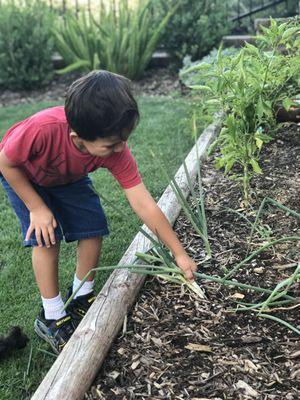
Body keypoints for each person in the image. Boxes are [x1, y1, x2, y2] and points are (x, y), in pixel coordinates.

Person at [0, 70, 197, 354]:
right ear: (78, 137)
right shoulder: (43, 129)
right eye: (111, 144)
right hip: (24, 176)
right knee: (47, 237)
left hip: (67, 178)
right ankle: (52, 315)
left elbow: (142, 202)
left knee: (93, 226)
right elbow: (6, 163)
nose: (120, 149)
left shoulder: (116, 150)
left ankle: (81, 296)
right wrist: (37, 207)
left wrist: (179, 253)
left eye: (123, 140)